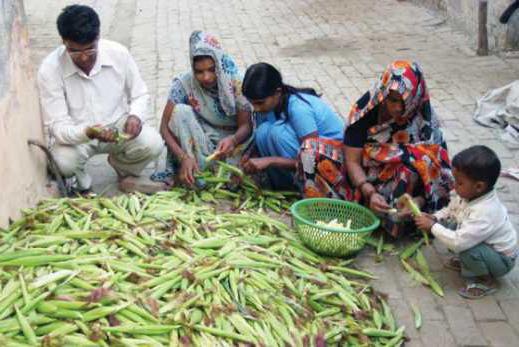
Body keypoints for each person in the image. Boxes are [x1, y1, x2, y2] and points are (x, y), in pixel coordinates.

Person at [38, 5, 164, 194]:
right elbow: (57, 127)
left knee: (153, 143)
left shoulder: (118, 54)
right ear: (64, 42)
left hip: (117, 126)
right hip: (79, 134)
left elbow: (140, 94)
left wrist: (135, 116)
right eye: (74, 51)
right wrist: (88, 132)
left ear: (97, 37)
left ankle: (124, 171)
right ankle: (82, 184)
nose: (83, 58)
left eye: (90, 50)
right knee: (61, 162)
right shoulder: (49, 70)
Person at [343, 60, 453, 236]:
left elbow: (439, 171)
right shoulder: (366, 111)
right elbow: (351, 160)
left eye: (404, 101)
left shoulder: (425, 121)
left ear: (415, 97)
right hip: (362, 178)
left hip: (400, 189)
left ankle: (397, 222)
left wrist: (418, 201)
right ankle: (361, 207)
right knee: (311, 152)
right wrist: (369, 192)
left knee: (418, 161)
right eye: (392, 100)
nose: (397, 108)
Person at [415, 146, 518, 299]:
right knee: (447, 225)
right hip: (484, 244)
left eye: (459, 182)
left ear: (479, 186)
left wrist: (432, 227)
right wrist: (435, 218)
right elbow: (451, 210)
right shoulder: (469, 194)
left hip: (502, 260)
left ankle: (487, 280)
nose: (454, 185)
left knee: (467, 249)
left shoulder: (485, 212)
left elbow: (458, 242)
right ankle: (471, 264)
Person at [153, 31, 252, 186]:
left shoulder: (237, 82)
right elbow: (164, 129)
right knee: (180, 112)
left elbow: (246, 126)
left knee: (237, 175)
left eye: (212, 70)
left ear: (219, 64)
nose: (206, 77)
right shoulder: (184, 84)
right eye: (199, 71)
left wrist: (233, 140)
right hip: (203, 138)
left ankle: (205, 172)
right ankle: (194, 167)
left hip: (233, 143)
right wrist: (183, 157)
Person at [241, 62, 345, 190]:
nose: (255, 108)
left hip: (333, 161)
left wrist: (270, 160)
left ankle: (303, 188)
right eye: (252, 103)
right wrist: (250, 155)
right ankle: (284, 186)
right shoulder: (266, 107)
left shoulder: (298, 109)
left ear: (277, 93)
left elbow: (311, 159)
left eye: (259, 103)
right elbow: (259, 140)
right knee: (262, 132)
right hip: (308, 158)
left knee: (278, 134)